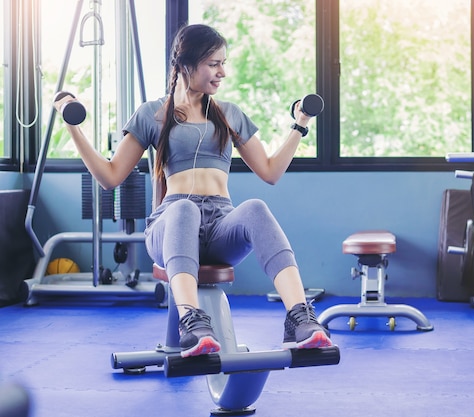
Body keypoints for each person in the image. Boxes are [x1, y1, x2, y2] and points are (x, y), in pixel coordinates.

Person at [54, 23, 332, 357]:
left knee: (256, 207)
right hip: (171, 222)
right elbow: (110, 177)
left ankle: (299, 317)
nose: (222, 72)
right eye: (214, 63)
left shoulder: (229, 114)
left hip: (219, 226)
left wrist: (299, 125)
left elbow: (270, 172)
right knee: (185, 208)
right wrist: (74, 129)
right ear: (186, 64)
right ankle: (192, 321)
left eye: (223, 63)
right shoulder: (152, 114)